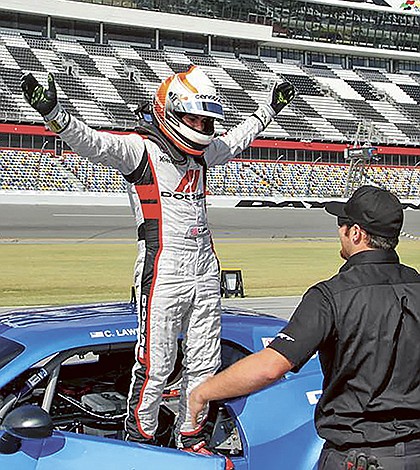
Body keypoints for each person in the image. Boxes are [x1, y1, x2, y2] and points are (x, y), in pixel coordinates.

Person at [20, 66, 295, 458]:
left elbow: (237, 140)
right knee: (156, 365)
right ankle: (141, 442)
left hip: (205, 266)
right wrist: (54, 115)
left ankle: (191, 435)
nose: (202, 126)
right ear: (172, 111)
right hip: (163, 269)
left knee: (205, 361)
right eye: (195, 118)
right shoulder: (141, 149)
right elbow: (93, 143)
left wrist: (269, 109)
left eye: (206, 119)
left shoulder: (203, 154)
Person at [189, 185, 420, 469]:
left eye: (342, 225)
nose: (340, 232)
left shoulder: (331, 296)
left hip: (357, 456)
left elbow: (270, 367)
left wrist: (204, 391)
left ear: (356, 233)